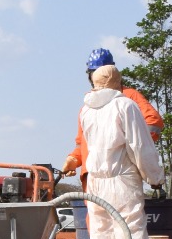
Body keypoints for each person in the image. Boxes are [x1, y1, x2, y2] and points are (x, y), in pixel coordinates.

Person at [77, 63, 165, 239]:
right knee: (131, 223)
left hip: (95, 179)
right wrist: (155, 177)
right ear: (118, 82)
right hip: (121, 176)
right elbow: (140, 146)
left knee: (101, 225)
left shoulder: (86, 110)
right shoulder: (126, 105)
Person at [62, 48, 163, 180]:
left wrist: (128, 148)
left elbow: (153, 122)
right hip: (92, 177)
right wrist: (74, 159)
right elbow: (82, 143)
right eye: (96, 72)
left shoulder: (129, 97)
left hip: (120, 173)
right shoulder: (87, 108)